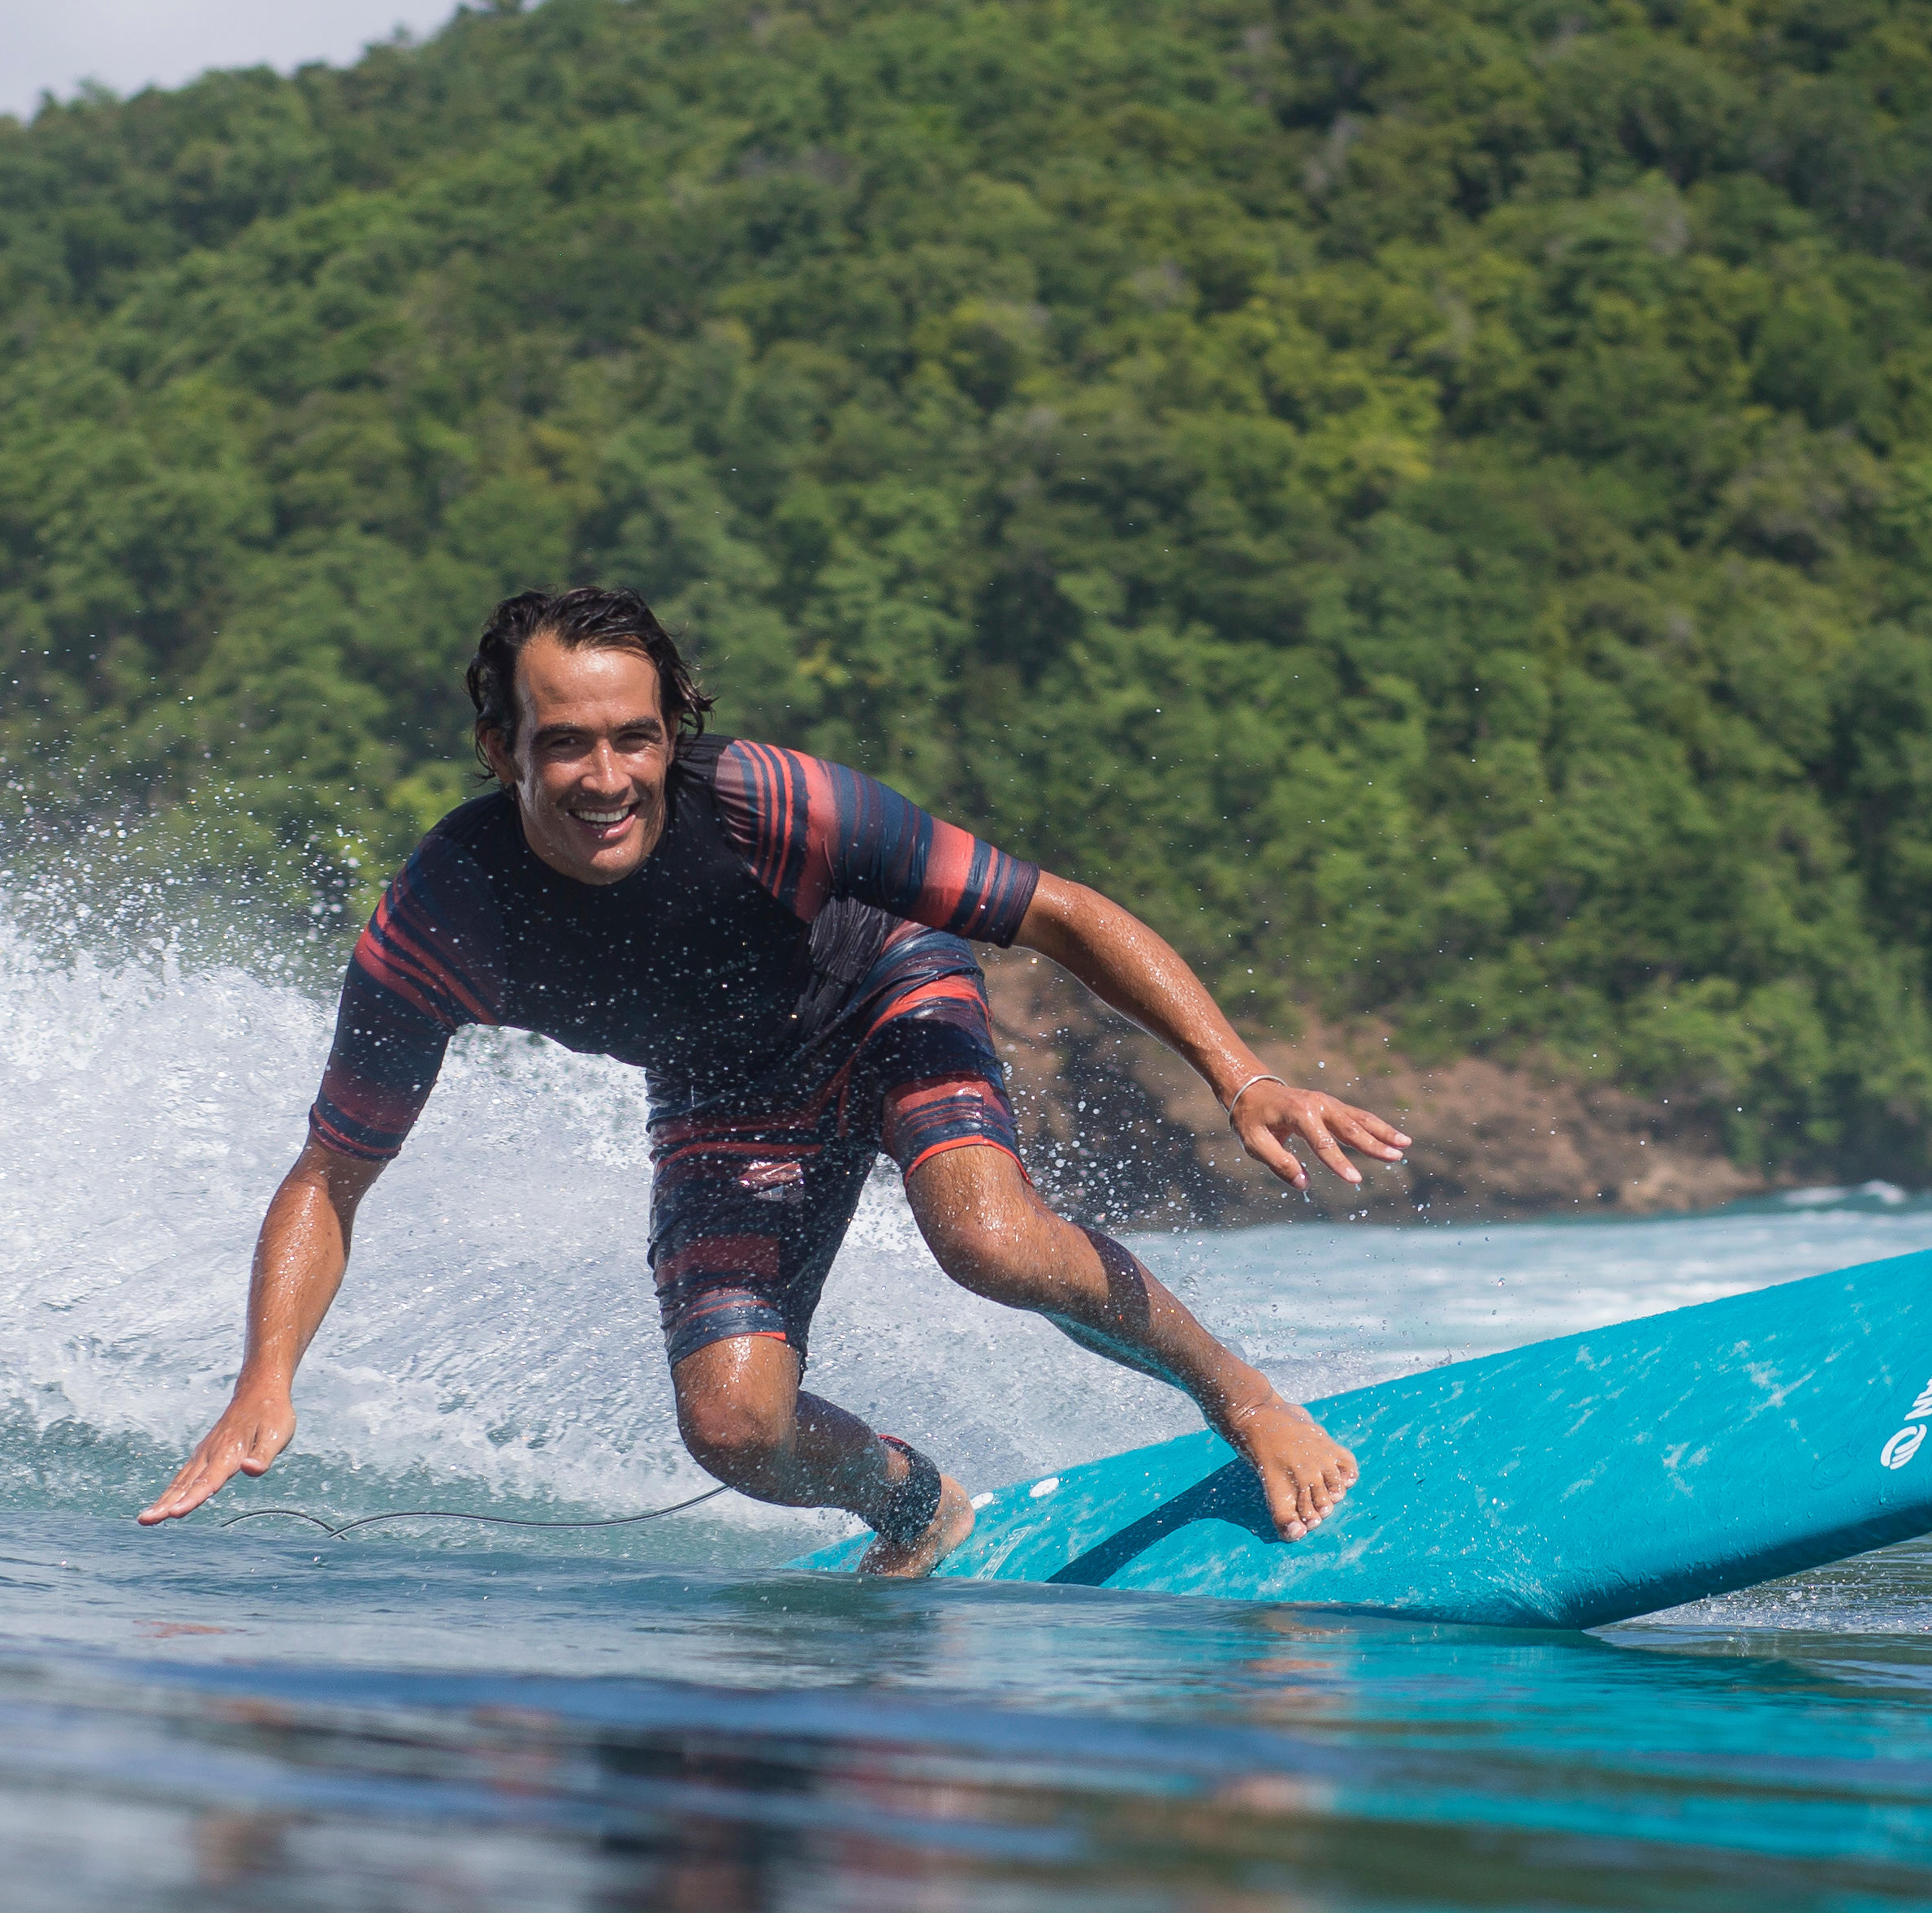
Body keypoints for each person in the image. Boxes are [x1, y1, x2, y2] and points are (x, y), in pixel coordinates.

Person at [138, 585, 1411, 1573]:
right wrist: (267, 1376)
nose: (606, 778)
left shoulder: (768, 803)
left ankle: (1244, 1403)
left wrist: (1236, 1075)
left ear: (673, 730)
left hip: (882, 992)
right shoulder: (443, 921)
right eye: (565, 743)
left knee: (985, 1237)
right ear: (499, 747)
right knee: (738, 1426)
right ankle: (916, 1505)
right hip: (725, 1092)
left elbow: (1058, 911)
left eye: (635, 739)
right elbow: (333, 1175)